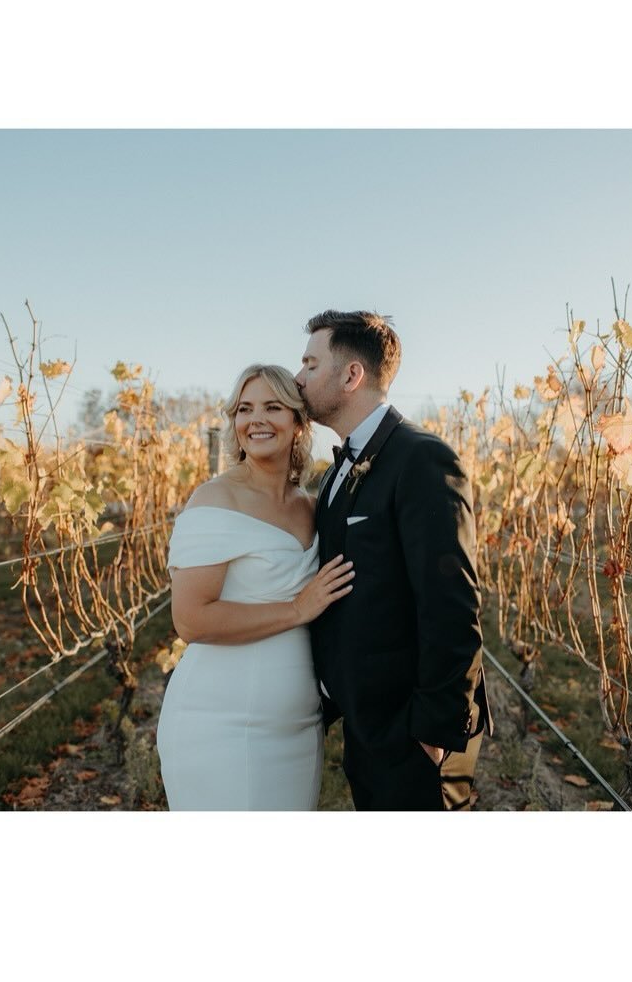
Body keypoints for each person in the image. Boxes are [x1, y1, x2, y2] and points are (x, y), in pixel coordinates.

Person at [294, 310, 493, 811]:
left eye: (310, 364)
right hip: (368, 722)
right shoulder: (334, 473)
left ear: (351, 375)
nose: (298, 378)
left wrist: (432, 735)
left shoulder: (422, 459)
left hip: (413, 733)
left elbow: (452, 603)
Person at [155, 364, 354, 810]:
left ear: (299, 422)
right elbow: (191, 619)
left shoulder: (311, 506)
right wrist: (297, 609)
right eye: (244, 409)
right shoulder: (215, 500)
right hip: (218, 724)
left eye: (273, 407)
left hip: (299, 727)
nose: (255, 419)